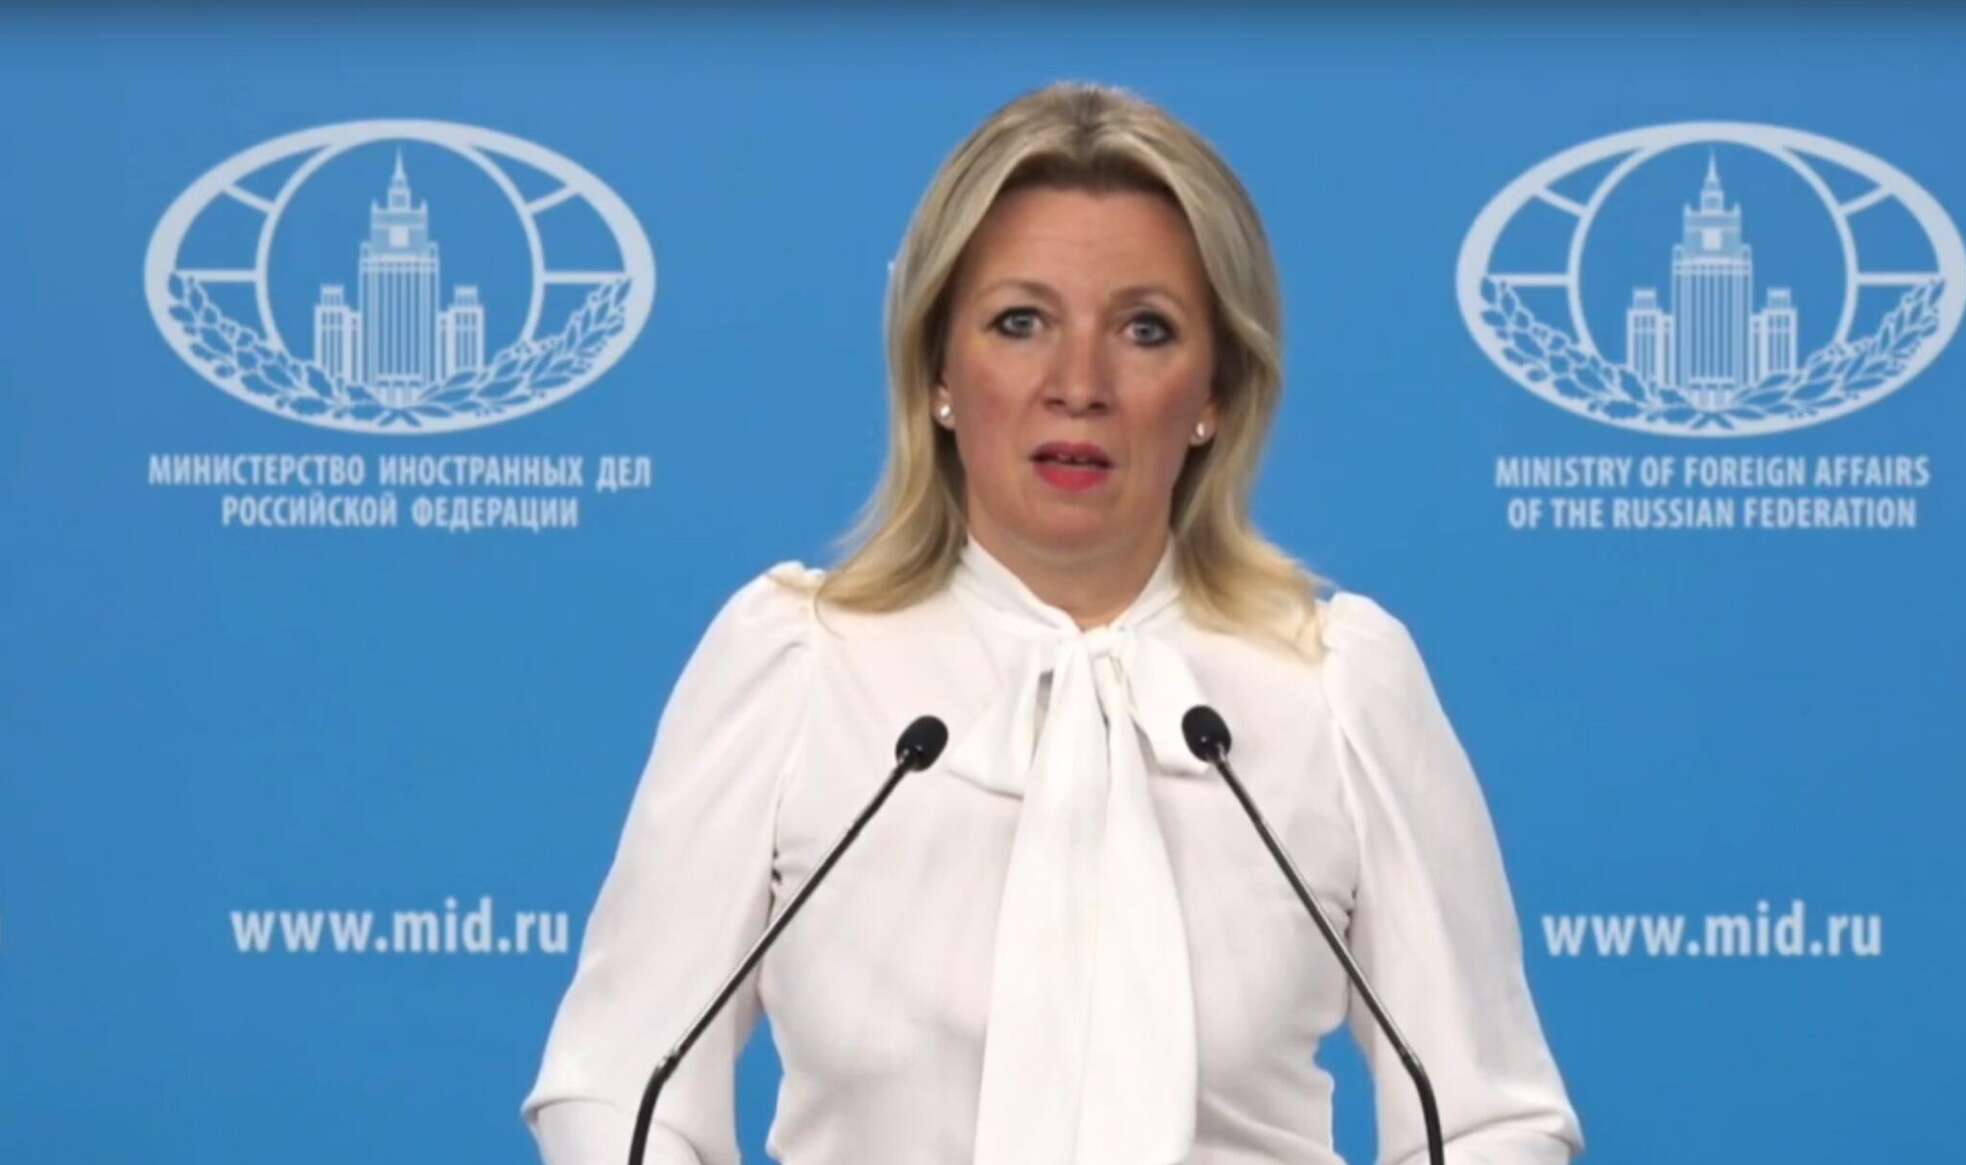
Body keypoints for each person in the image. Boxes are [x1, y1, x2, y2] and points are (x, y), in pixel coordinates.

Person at [522, 81, 1583, 1164]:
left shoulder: (1338, 686)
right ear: (938, 370)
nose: (1079, 385)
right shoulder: (795, 665)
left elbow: (1489, 1117)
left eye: (1145, 329)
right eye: (1020, 322)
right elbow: (617, 1084)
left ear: (1215, 391)